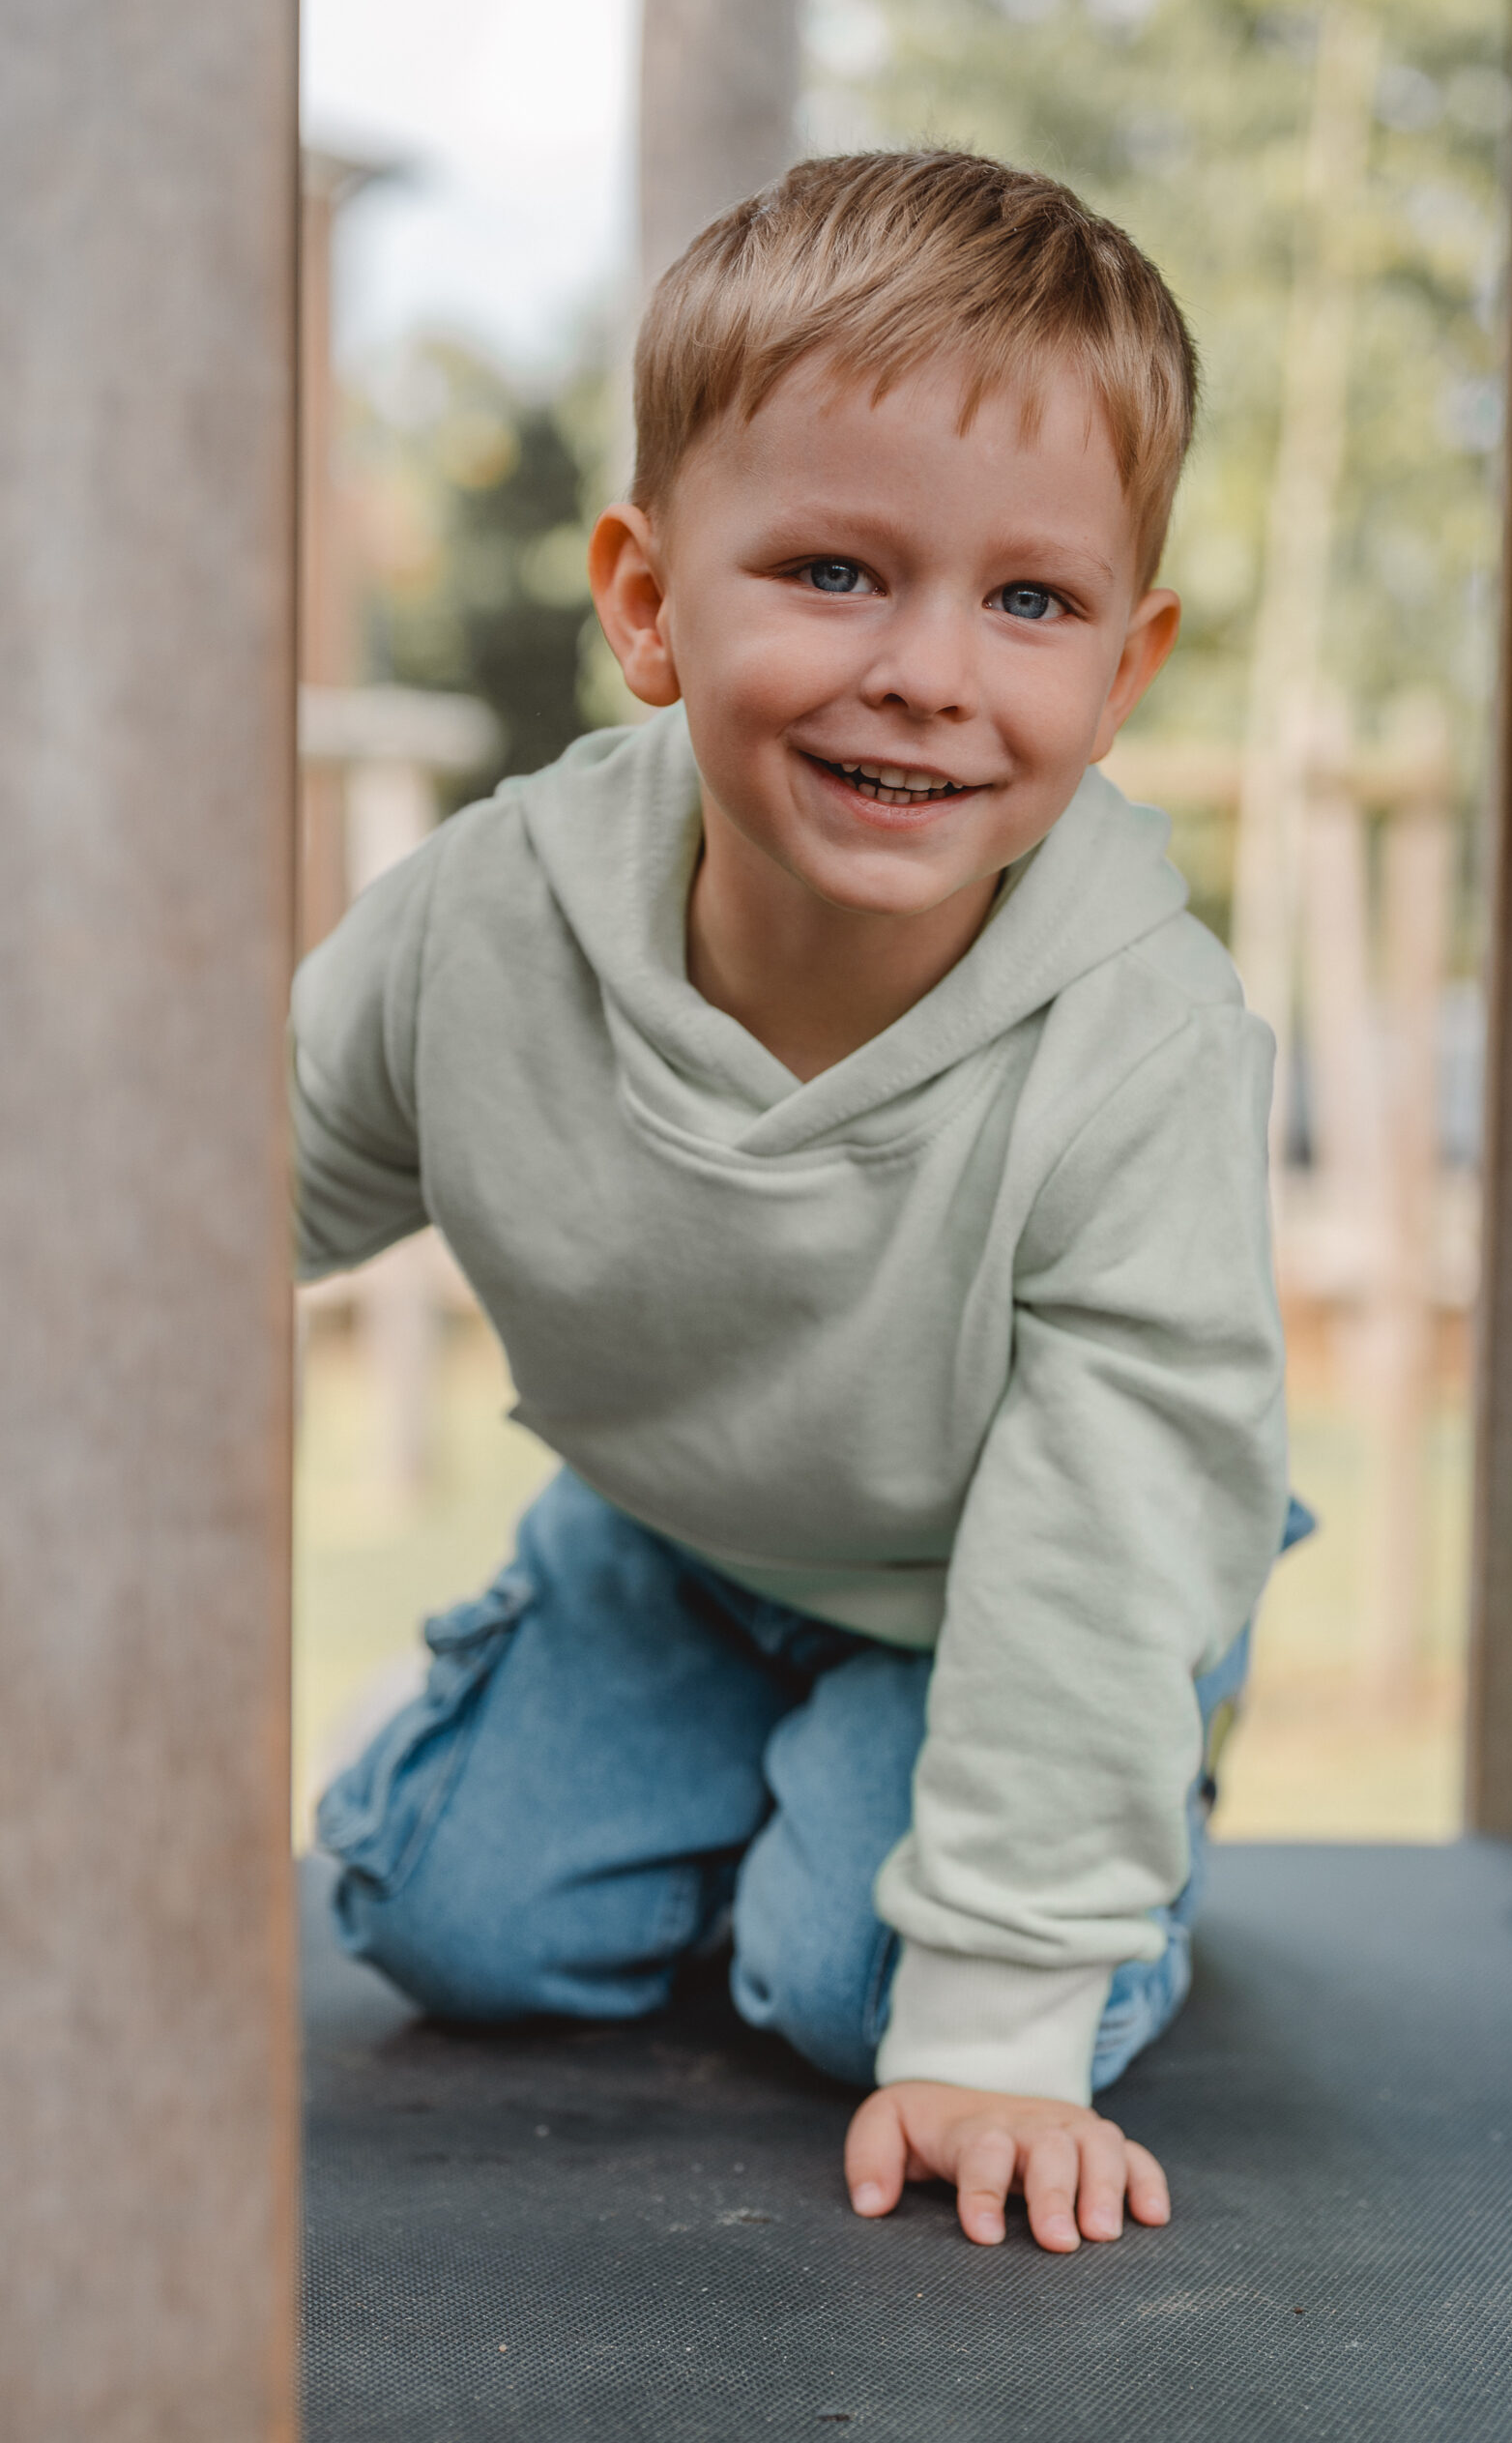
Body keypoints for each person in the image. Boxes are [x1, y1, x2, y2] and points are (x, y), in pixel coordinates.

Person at [293, 149, 1302, 2256]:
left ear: (1125, 670)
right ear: (650, 602)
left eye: (1030, 603)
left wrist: (1006, 2017)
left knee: (870, 1996)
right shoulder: (488, 927)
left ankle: (1102, 1793)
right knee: (451, 1919)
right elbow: (201, 1217)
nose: (931, 670)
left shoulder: (1136, 1044)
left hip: (1008, 1577)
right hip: (679, 1540)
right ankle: (732, 1753)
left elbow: (1106, 1526)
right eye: (837, 571)